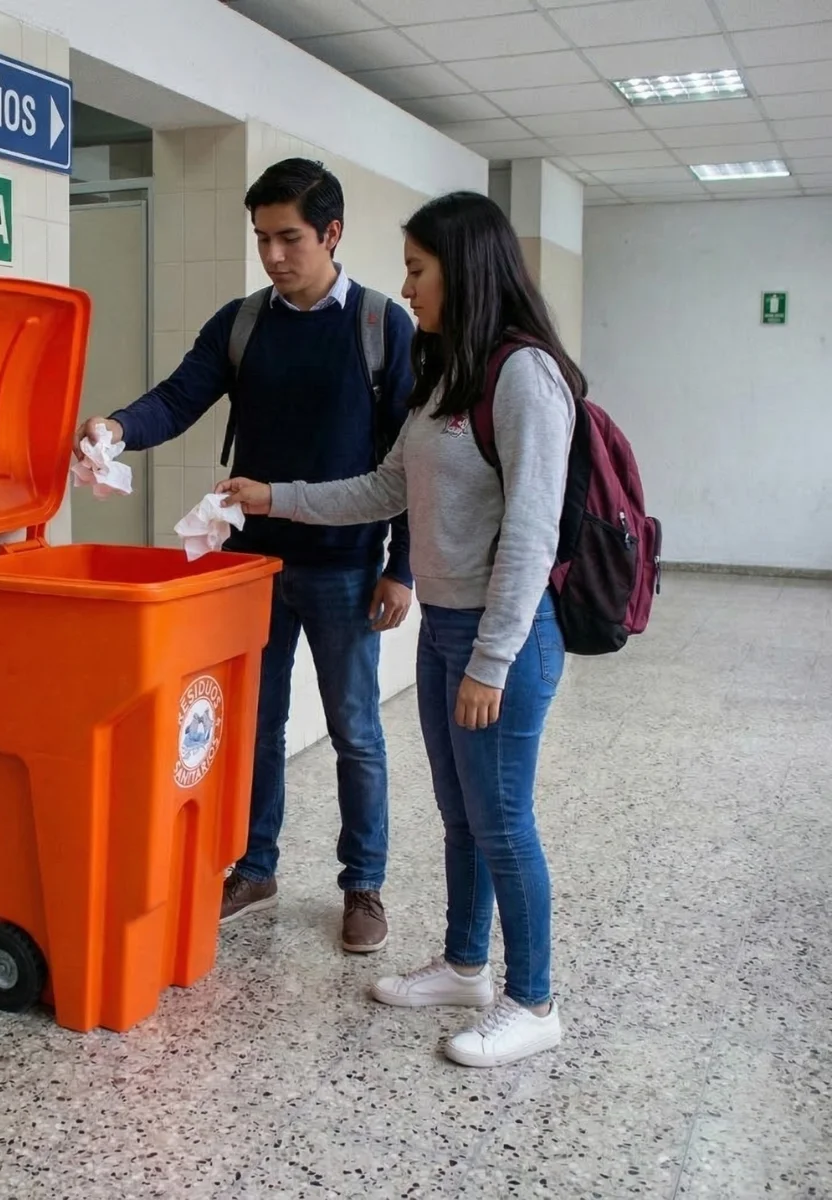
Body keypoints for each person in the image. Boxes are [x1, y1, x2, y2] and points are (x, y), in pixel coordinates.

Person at [217, 190, 579, 1068]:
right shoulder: (449, 370)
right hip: (449, 629)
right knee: (461, 815)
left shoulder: (524, 375)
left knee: (503, 820)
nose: (407, 287)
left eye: (419, 269)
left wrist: (491, 661)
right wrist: (276, 497)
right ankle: (464, 965)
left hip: (507, 638)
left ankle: (534, 1000)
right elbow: (384, 488)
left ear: (466, 269)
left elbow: (533, 533)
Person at [75, 159, 415, 954]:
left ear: (332, 233)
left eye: (289, 238)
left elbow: (410, 460)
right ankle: (255, 865)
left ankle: (363, 884)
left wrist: (403, 566)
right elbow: (178, 395)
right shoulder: (243, 323)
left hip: (345, 566)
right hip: (250, 566)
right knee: (254, 725)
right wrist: (117, 429)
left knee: (355, 730)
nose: (272, 256)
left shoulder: (379, 326)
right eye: (261, 238)